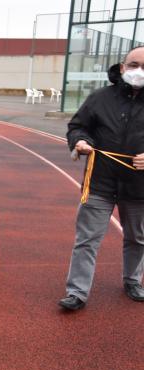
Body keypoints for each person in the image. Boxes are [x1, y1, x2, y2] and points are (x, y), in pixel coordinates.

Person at [59, 46, 144, 311]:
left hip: (139, 187)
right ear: (122, 67)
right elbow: (77, 126)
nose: (138, 71)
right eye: (133, 64)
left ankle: (132, 281)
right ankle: (77, 292)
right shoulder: (99, 98)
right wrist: (81, 141)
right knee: (87, 239)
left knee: (138, 239)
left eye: (143, 66)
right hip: (100, 183)